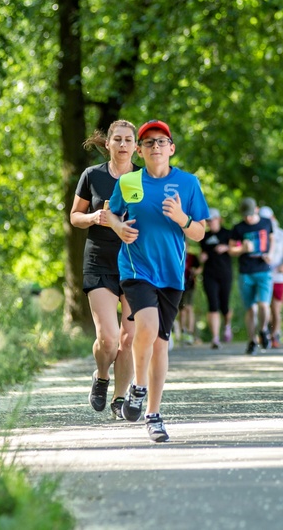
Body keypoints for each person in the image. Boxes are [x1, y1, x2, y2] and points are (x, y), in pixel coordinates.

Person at [107, 119, 209, 443]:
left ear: (171, 148)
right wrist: (117, 228)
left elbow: (200, 232)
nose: (155, 147)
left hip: (171, 274)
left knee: (161, 344)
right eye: (148, 142)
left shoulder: (188, 184)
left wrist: (183, 219)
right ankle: (138, 385)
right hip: (136, 269)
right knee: (146, 327)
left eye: (161, 141)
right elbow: (111, 212)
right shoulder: (128, 182)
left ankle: (152, 413)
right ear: (139, 150)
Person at [70, 120, 140, 420]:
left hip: (137, 263)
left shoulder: (145, 177)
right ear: (108, 144)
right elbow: (74, 216)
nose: (123, 145)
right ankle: (101, 376)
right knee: (109, 338)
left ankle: (120, 398)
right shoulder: (92, 176)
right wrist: (94, 216)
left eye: (128, 140)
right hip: (99, 260)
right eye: (118, 139)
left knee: (129, 339)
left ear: (136, 146)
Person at [229, 197, 274, 355]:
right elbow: (231, 249)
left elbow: (271, 239)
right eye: (244, 215)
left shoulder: (266, 222)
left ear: (256, 209)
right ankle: (252, 340)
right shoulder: (238, 228)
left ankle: (263, 330)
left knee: (263, 305)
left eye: (250, 214)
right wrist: (242, 250)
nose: (247, 218)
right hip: (246, 272)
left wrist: (270, 253)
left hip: (263, 269)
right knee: (251, 309)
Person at [259, 206, 283, 348]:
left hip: (278, 277)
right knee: (263, 306)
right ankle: (264, 333)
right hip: (262, 274)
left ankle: (275, 334)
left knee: (275, 308)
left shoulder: (282, 234)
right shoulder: (259, 234)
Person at [199, 208, 234, 348]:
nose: (210, 223)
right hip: (209, 274)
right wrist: (202, 257)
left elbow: (236, 248)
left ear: (219, 219)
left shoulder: (228, 233)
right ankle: (215, 338)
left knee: (224, 305)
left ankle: (227, 325)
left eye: (212, 220)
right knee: (213, 305)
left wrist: (226, 248)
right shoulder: (204, 236)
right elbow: (202, 254)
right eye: (208, 221)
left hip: (225, 273)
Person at [177, 248, 202, 344]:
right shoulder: (176, 253)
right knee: (182, 310)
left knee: (189, 308)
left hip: (190, 285)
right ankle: (183, 331)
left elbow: (199, 268)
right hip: (179, 285)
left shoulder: (192, 256)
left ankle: (190, 332)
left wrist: (194, 272)